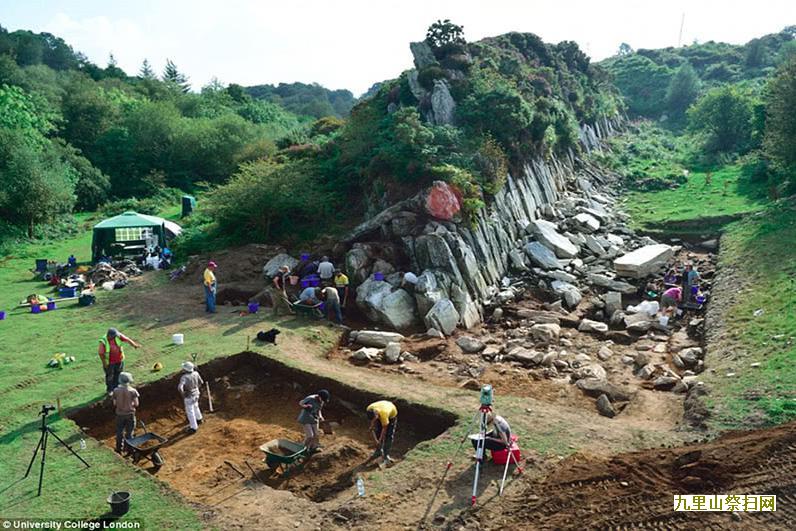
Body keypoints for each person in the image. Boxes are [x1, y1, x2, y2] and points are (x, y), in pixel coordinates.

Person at [99, 328, 141, 394]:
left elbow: (127, 339)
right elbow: (101, 353)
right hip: (109, 363)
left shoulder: (117, 336)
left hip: (119, 360)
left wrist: (134, 345)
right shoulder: (103, 341)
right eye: (114, 336)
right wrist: (104, 363)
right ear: (110, 336)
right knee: (110, 376)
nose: (117, 336)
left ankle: (117, 387)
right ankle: (110, 390)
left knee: (118, 373)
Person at [112, 372, 139, 453]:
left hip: (120, 414)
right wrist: (130, 404)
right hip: (130, 414)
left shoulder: (116, 390)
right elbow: (137, 404)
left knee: (119, 431)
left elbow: (114, 403)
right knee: (129, 432)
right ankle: (130, 449)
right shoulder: (133, 391)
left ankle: (119, 449)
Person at [366, 400, 397, 465]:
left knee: (389, 435)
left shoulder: (384, 414)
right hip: (382, 407)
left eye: (375, 418)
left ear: (376, 414)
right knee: (378, 432)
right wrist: (371, 426)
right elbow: (373, 419)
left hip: (391, 415)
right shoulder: (369, 409)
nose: (374, 420)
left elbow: (384, 429)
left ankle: (386, 455)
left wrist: (379, 441)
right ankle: (378, 452)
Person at [178, 361, 204, 434]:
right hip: (196, 394)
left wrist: (183, 394)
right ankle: (199, 419)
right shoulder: (196, 373)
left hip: (189, 397)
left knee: (190, 411)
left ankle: (193, 427)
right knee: (196, 406)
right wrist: (196, 389)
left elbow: (180, 388)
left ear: (186, 369)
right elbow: (201, 382)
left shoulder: (184, 377)